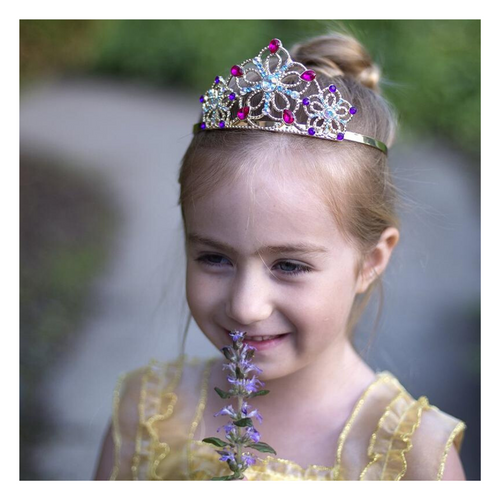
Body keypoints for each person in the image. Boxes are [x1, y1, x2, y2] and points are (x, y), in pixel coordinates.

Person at [94, 32, 466, 481]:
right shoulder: (146, 411)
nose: (245, 306)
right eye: (214, 257)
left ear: (370, 261)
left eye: (289, 265)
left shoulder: (416, 459)